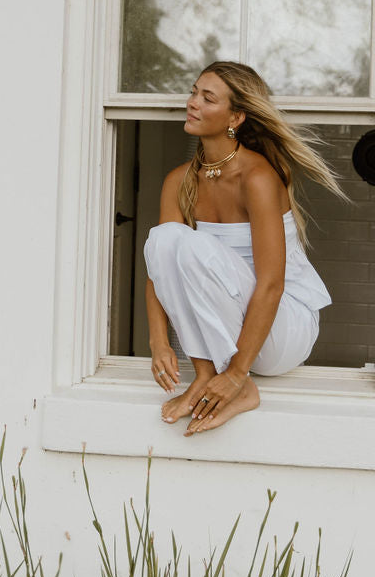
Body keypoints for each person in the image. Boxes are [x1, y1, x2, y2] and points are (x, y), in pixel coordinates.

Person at [143, 61, 340, 437]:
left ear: (235, 116)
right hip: (228, 341)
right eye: (193, 92)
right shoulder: (179, 181)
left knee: (193, 246)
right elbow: (160, 269)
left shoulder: (258, 177)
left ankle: (241, 388)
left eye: (207, 98)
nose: (192, 103)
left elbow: (271, 285)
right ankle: (204, 376)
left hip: (283, 331)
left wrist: (235, 374)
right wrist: (158, 343)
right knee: (165, 239)